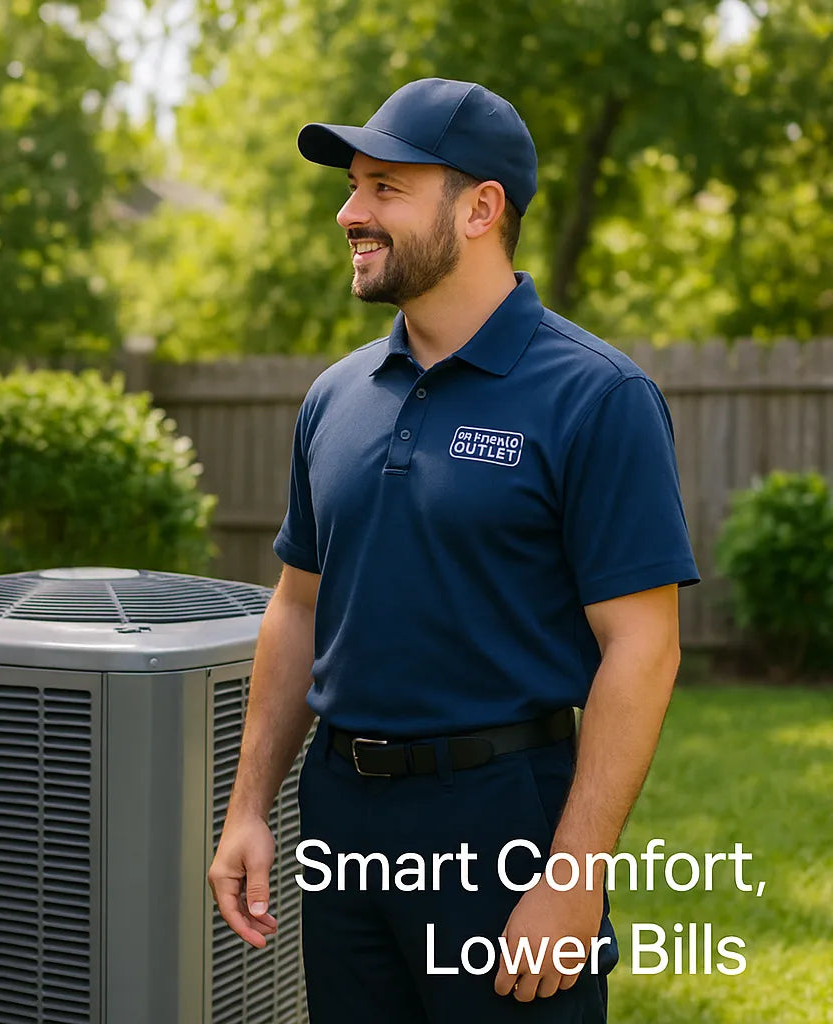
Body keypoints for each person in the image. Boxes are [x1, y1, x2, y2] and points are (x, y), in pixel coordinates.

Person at [207, 78, 699, 1023]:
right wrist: (250, 806)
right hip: (341, 814)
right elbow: (298, 606)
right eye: (352, 186)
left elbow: (646, 647)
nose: (350, 213)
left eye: (385, 187)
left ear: (482, 208)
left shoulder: (597, 397)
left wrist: (573, 874)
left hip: (504, 819)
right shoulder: (335, 397)